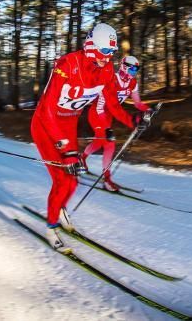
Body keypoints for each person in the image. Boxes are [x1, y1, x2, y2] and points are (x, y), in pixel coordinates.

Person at [30, 23, 147, 252]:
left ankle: (60, 209)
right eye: (105, 51)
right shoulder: (68, 64)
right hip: (47, 125)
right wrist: (66, 150)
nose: (108, 57)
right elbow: (47, 111)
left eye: (112, 53)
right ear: (91, 46)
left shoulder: (105, 71)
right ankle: (51, 227)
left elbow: (112, 103)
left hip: (68, 125)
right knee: (62, 180)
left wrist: (132, 120)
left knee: (73, 181)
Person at [82, 55, 151, 192]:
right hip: (97, 113)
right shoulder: (111, 80)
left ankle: (81, 158)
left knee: (98, 142)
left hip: (108, 115)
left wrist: (148, 109)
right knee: (109, 144)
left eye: (136, 70)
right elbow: (108, 107)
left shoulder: (132, 83)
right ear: (124, 67)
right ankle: (107, 180)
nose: (134, 73)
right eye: (132, 70)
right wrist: (130, 122)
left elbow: (137, 103)